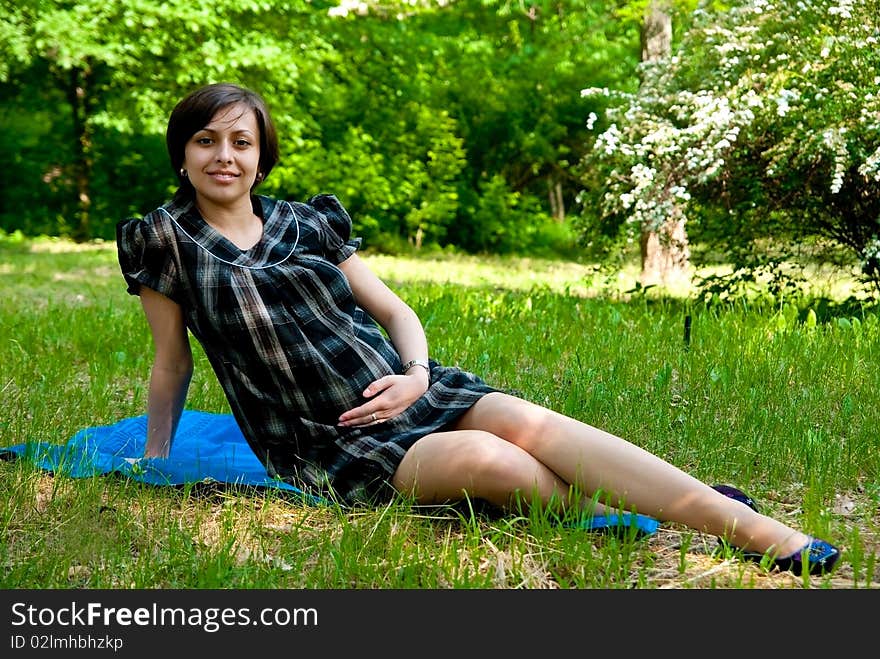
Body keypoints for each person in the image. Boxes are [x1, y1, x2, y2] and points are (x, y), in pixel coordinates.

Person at [116, 82, 840, 577]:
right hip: (325, 440)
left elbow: (394, 312)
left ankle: (754, 531)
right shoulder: (163, 243)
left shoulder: (307, 221)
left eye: (241, 141)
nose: (224, 156)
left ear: (261, 154)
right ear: (182, 152)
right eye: (206, 140)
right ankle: (657, 509)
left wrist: (417, 376)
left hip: (409, 389)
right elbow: (172, 361)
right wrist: (155, 455)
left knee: (536, 423)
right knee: (490, 461)